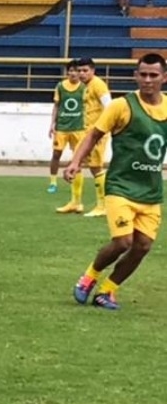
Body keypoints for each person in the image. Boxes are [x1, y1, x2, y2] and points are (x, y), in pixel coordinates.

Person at [66, 53, 167, 311]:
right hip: (121, 186)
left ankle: (108, 291)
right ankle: (90, 276)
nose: (147, 80)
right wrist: (76, 162)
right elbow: (93, 135)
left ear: (164, 78)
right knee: (123, 241)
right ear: (135, 76)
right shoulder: (121, 106)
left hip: (151, 191)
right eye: (142, 74)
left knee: (142, 246)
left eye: (153, 75)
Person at [74, 58, 113, 217]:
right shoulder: (86, 86)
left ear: (93, 71)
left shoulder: (98, 85)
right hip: (88, 132)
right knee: (77, 161)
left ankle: (102, 205)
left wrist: (103, 128)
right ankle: (75, 202)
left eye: (85, 70)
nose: (81, 74)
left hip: (98, 132)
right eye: (79, 71)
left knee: (96, 167)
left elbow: (109, 107)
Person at [47, 61, 84, 199]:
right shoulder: (61, 86)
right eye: (71, 70)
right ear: (67, 72)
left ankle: (75, 184)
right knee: (56, 154)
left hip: (78, 127)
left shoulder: (84, 87)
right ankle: (53, 182)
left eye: (76, 70)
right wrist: (52, 123)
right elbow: (56, 106)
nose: (74, 73)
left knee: (78, 157)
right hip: (62, 127)